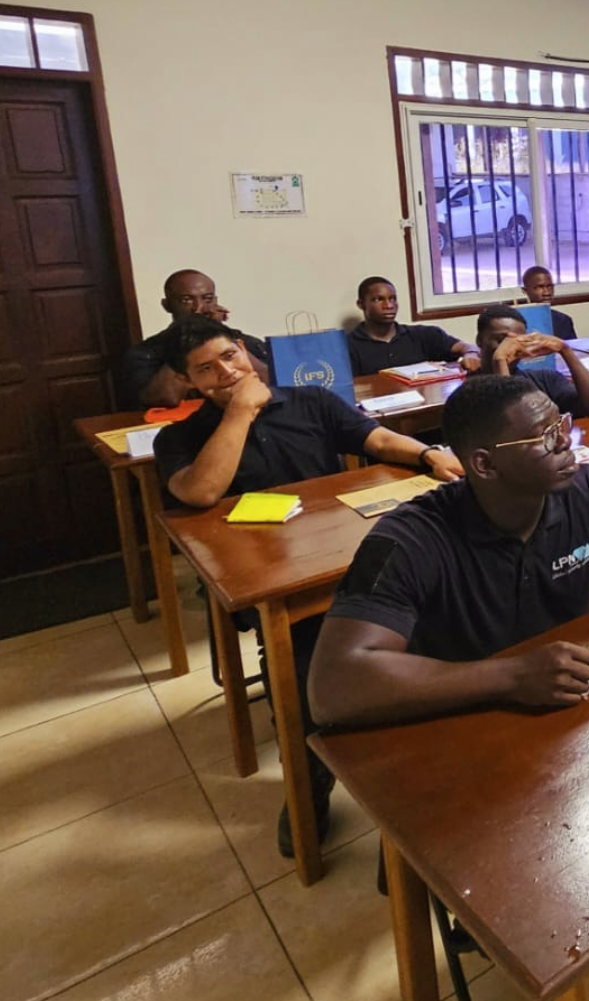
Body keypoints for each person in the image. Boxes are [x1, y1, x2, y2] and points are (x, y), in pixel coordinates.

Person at [307, 375, 589, 1001]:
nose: (568, 443)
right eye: (547, 436)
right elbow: (334, 684)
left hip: (570, 728)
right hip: (467, 743)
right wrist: (507, 676)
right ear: (485, 464)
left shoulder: (586, 489)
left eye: (564, 426)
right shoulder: (412, 538)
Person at [152, 315, 465, 856]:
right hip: (274, 584)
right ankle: (311, 780)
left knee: (435, 623)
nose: (226, 372)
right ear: (189, 383)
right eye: (206, 368)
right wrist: (244, 410)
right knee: (303, 672)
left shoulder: (310, 402)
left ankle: (421, 753)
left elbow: (374, 437)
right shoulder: (180, 437)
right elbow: (201, 492)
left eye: (231, 356)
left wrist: (427, 453)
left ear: (246, 352)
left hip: (349, 560)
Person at [118, 269, 271, 409]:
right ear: (167, 305)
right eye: (186, 300)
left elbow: (273, 382)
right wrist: (188, 332)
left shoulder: (239, 340)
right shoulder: (145, 352)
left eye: (207, 299)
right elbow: (165, 399)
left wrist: (224, 336)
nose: (199, 308)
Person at [475, 305, 589, 416]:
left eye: (519, 340)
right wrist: (500, 360)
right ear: (479, 341)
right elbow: (511, 427)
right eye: (501, 340)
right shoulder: (470, 390)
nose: (510, 346)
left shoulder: (544, 379)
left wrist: (565, 350)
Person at [347, 276, 477, 377]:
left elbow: (466, 347)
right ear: (361, 304)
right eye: (378, 300)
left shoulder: (423, 335)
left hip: (424, 406)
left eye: (392, 299)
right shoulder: (348, 346)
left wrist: (471, 354)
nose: (389, 305)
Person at [520, 265, 577, 339]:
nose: (546, 292)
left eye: (549, 286)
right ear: (525, 291)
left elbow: (572, 348)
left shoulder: (563, 320)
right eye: (539, 287)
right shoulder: (517, 321)